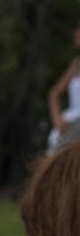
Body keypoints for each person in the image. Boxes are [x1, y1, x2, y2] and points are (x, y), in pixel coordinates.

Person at [47, 21, 80, 150]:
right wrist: (58, 121)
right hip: (73, 122)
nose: (75, 34)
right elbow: (54, 94)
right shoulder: (76, 65)